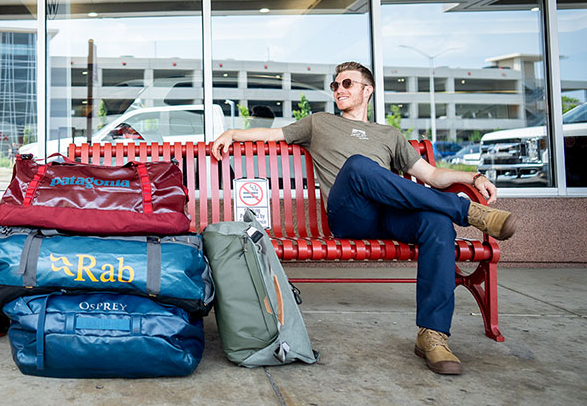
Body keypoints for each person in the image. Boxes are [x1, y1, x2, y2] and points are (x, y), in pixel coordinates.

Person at [211, 61, 517, 376]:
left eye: (347, 84)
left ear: (366, 90)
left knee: (437, 225)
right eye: (335, 85)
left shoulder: (389, 135)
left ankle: (433, 335)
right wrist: (233, 132)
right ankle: (467, 211)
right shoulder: (319, 123)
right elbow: (272, 133)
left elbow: (433, 175)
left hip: (389, 218)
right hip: (349, 216)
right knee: (359, 166)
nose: (339, 90)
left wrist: (474, 176)